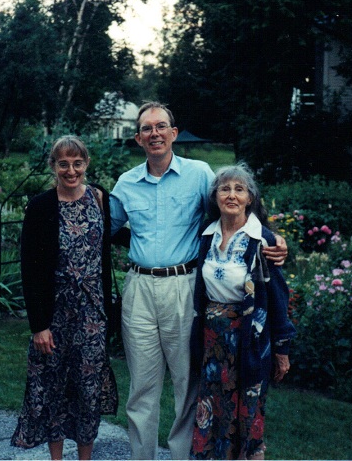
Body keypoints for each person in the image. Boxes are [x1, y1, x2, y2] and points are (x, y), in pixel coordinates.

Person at [109, 103, 287, 460]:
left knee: (187, 386)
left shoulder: (200, 174)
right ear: (138, 138)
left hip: (183, 286)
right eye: (147, 128)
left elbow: (237, 206)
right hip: (139, 289)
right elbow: (105, 228)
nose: (155, 134)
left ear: (174, 133)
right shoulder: (126, 183)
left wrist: (274, 239)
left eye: (161, 126)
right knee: (141, 388)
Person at [12, 135, 118, 461]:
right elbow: (30, 269)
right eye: (63, 164)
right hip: (55, 314)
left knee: (88, 390)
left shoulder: (99, 197)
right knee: (54, 389)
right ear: (53, 166)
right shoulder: (41, 206)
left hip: (92, 314)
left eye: (77, 163)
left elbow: (108, 251)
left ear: (86, 164)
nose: (71, 171)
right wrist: (39, 325)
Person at [189, 163, 296, 460]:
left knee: (247, 415)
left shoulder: (263, 240)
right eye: (225, 189)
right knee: (213, 413)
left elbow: (278, 297)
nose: (232, 195)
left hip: (249, 342)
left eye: (239, 189)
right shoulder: (206, 236)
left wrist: (282, 349)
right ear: (215, 197)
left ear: (250, 198)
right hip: (213, 343)